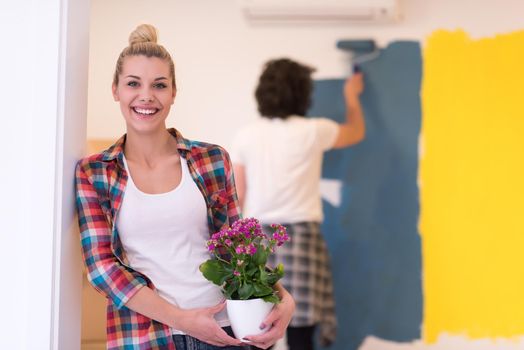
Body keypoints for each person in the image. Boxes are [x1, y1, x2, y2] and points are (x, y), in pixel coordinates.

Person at [75, 24, 295, 350]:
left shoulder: (211, 159)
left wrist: (283, 299)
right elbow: (102, 268)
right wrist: (182, 319)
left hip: (226, 331)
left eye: (159, 85)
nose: (146, 96)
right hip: (148, 336)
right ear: (116, 90)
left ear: (174, 92)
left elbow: (237, 248)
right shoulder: (95, 172)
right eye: (133, 83)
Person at [230, 58, 365, 350]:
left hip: (257, 241)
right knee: (302, 326)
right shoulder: (314, 130)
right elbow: (356, 131)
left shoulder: (246, 136)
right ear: (303, 93)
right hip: (301, 237)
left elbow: (238, 197)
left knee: (257, 325)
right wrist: (351, 97)